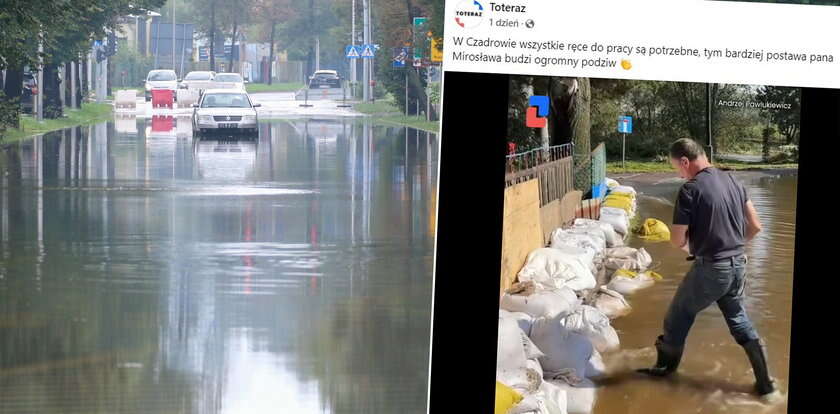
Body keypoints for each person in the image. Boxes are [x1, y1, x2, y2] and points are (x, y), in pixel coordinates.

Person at [637, 138, 778, 398]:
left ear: (685, 161)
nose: (678, 174)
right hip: (738, 265)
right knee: (739, 320)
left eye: (676, 169)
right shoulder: (734, 181)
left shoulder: (690, 189)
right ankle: (765, 383)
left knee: (678, 316)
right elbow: (756, 226)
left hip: (712, 268)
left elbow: (678, 239)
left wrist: (698, 249)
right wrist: (731, 245)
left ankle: (665, 370)